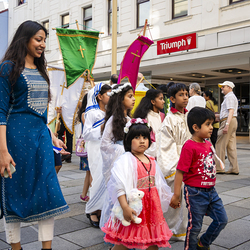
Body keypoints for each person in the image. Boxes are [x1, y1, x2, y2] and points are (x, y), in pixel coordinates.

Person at [0, 20, 69, 250]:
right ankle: (15, 247)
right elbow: (0, 112)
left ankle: (46, 248)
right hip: (15, 139)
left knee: (48, 192)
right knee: (14, 191)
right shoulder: (8, 68)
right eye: (38, 39)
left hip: (40, 139)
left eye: (44, 40)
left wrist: (51, 135)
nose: (43, 44)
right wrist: (2, 151)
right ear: (25, 39)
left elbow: (41, 111)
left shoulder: (41, 70)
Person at [102, 119, 173, 250]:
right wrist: (124, 207)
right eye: (137, 137)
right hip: (135, 206)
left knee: (152, 240)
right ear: (129, 140)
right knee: (125, 241)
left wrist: (169, 198)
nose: (142, 140)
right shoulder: (126, 160)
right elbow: (119, 186)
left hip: (151, 207)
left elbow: (160, 184)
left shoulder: (151, 160)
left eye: (145, 137)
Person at [170, 107, 228, 250]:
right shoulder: (189, 146)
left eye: (211, 124)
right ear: (195, 127)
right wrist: (176, 195)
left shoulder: (208, 143)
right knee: (195, 226)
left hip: (211, 191)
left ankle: (204, 243)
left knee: (222, 220)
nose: (211, 128)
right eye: (207, 124)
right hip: (195, 193)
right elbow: (180, 172)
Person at [156, 83, 190, 241]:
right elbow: (166, 147)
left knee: (187, 202)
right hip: (177, 163)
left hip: (189, 162)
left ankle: (184, 230)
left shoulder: (188, 117)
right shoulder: (169, 120)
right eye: (181, 95)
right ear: (172, 99)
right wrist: (176, 168)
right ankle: (171, 230)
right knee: (176, 200)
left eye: (186, 94)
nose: (185, 98)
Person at [100, 82, 135, 228]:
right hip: (120, 163)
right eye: (130, 96)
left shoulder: (130, 119)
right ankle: (114, 229)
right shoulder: (113, 120)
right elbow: (104, 144)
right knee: (118, 195)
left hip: (130, 162)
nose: (133, 99)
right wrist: (120, 151)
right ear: (121, 99)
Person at [82, 82, 111, 227]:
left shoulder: (110, 113)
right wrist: (102, 127)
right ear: (99, 96)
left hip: (108, 149)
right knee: (98, 178)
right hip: (95, 148)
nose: (111, 97)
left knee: (106, 180)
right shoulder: (92, 113)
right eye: (108, 94)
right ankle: (92, 210)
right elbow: (86, 133)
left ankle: (101, 209)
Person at [215, 81, 239, 175]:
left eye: (223, 86)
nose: (222, 88)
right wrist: (218, 117)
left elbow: (231, 111)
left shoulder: (229, 97)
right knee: (231, 146)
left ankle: (219, 168)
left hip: (228, 121)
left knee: (220, 144)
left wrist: (227, 125)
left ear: (229, 87)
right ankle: (234, 168)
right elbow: (229, 112)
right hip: (232, 120)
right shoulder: (231, 97)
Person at [133, 89, 165, 157]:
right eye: (161, 99)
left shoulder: (162, 116)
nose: (163, 101)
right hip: (149, 151)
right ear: (153, 102)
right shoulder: (145, 117)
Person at [77, 94, 91, 202]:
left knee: (89, 172)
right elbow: (89, 129)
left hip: (87, 146)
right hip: (88, 146)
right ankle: (92, 195)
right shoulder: (85, 114)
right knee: (91, 172)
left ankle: (83, 194)